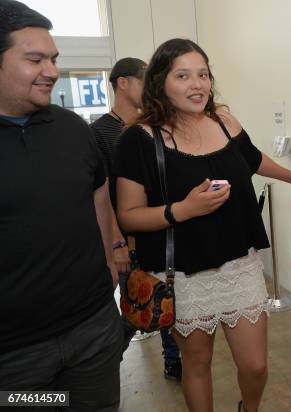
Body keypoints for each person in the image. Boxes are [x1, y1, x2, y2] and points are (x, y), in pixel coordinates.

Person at [113, 38, 291, 412]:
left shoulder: (224, 119)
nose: (197, 84)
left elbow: (251, 159)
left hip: (239, 264)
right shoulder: (138, 139)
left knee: (255, 365)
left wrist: (290, 176)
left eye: (203, 74)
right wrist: (184, 209)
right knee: (197, 363)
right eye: (183, 75)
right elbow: (128, 214)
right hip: (185, 273)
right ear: (160, 82)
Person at [0, 1, 122, 410]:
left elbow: (99, 191)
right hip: (15, 356)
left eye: (53, 59)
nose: (51, 71)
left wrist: (108, 257)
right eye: (34, 59)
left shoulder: (71, 127)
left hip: (93, 330)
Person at [90, 57, 183, 381]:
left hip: (160, 231)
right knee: (135, 310)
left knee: (167, 298)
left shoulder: (153, 128)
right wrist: (117, 243)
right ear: (122, 82)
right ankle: (97, 371)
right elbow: (101, 196)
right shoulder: (100, 132)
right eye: (144, 79)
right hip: (127, 240)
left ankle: (174, 361)